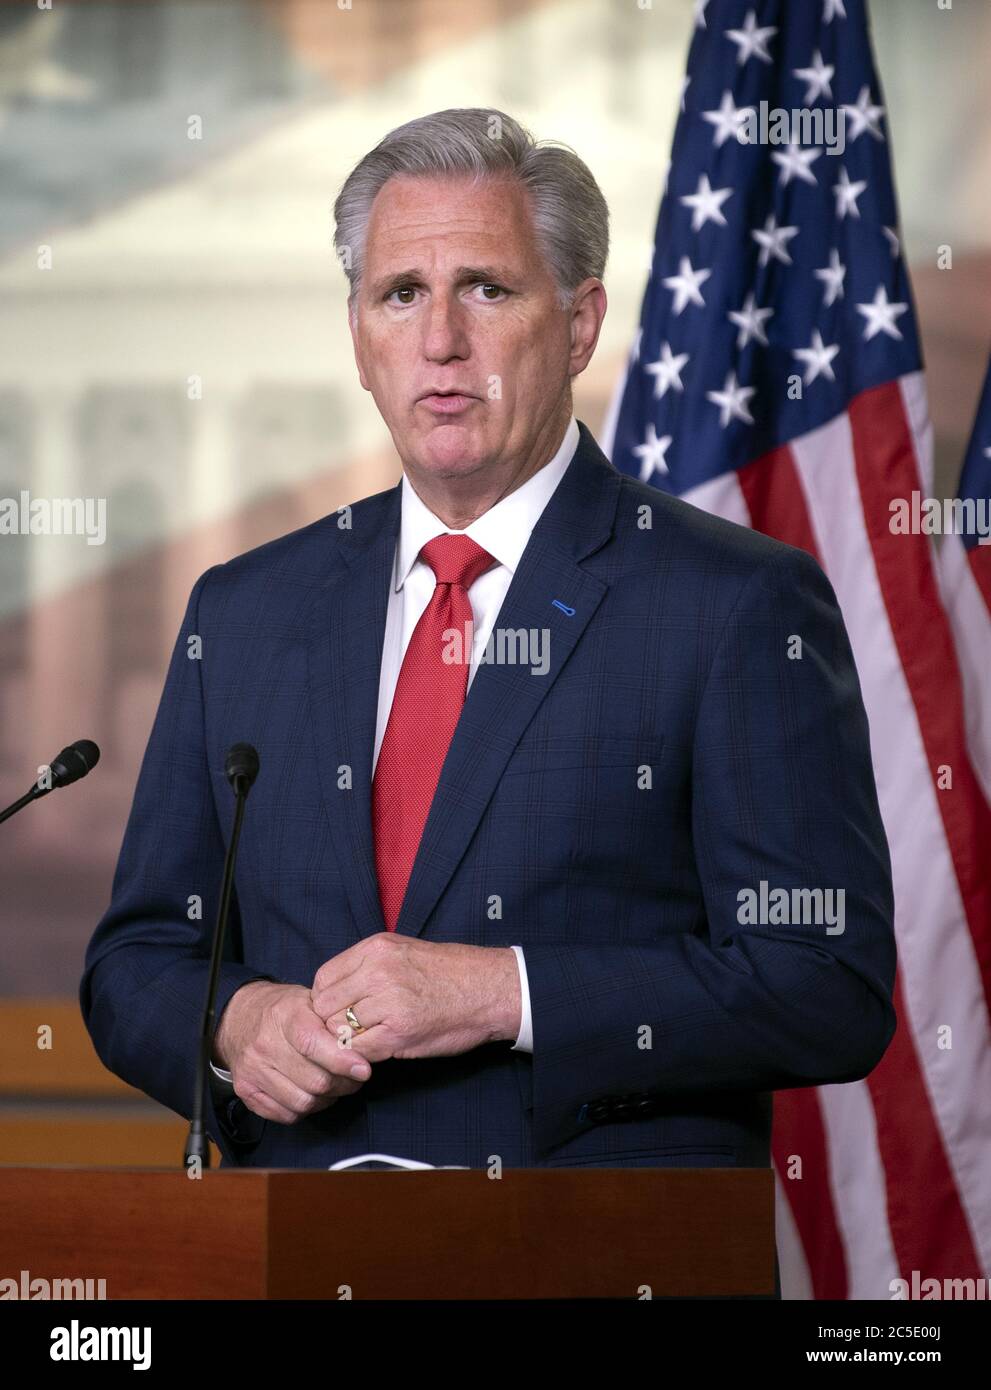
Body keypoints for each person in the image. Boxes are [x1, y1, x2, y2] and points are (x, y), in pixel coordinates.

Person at [80, 109, 896, 1207]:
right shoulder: (244, 610)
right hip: (292, 1245)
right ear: (360, 336)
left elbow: (823, 983)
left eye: (488, 288)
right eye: (399, 294)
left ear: (577, 324)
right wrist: (235, 1023)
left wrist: (504, 993)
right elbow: (135, 961)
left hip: (597, 1262)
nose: (440, 340)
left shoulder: (735, 602)